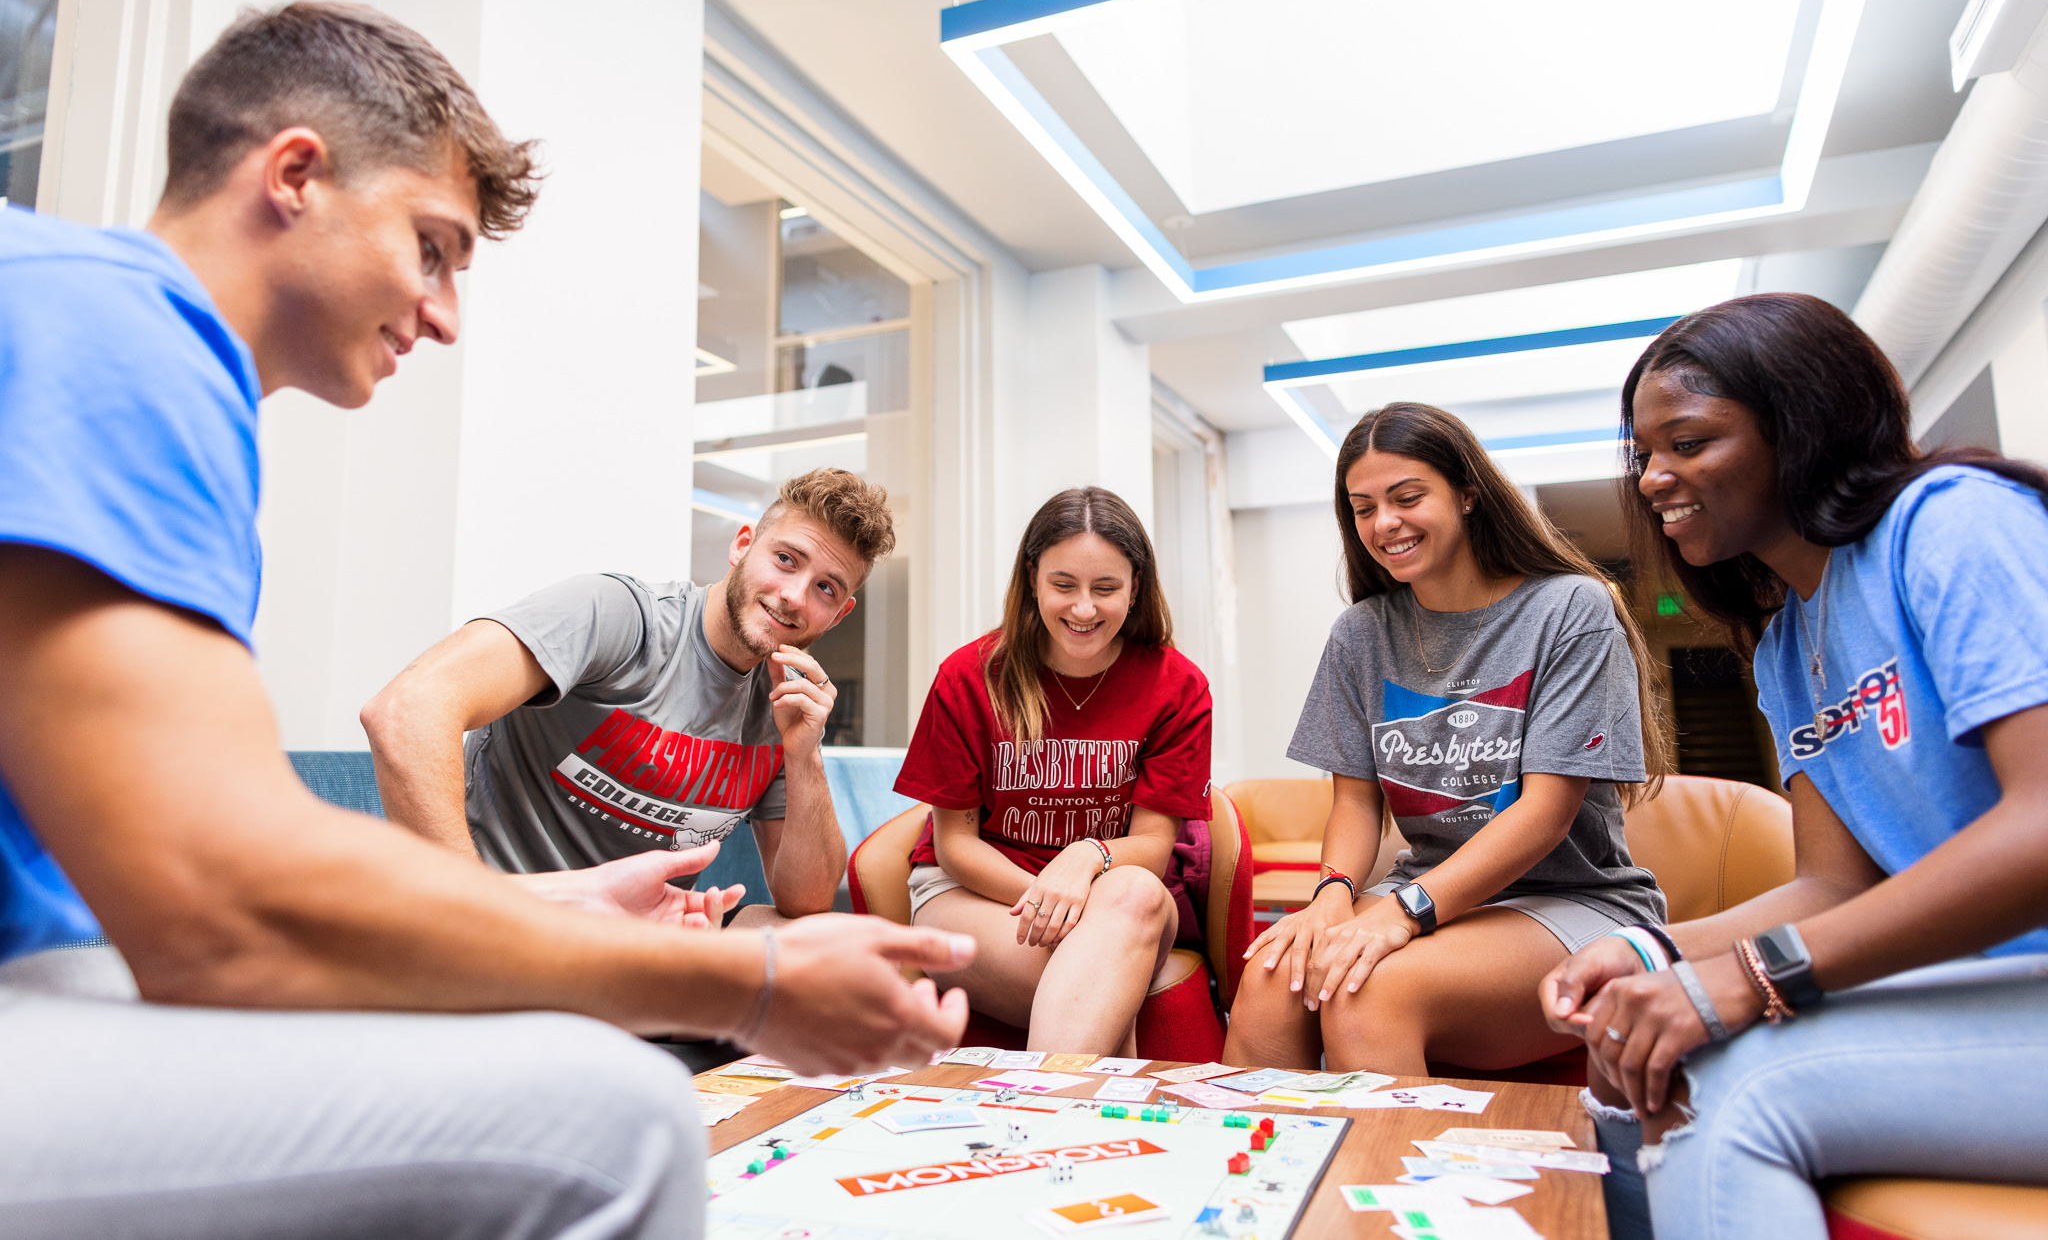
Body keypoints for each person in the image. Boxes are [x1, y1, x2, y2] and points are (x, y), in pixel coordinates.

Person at [0, 1, 971, 1239]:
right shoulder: (119, 344)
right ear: (294, 175)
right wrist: (750, 980)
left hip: (57, 952)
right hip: (35, 984)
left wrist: (553, 912)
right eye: (432, 246)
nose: (447, 311)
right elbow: (219, 908)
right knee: (617, 1121)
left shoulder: (131, 347)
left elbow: (194, 841)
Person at [1540, 294, 2048, 1240]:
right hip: (1978, 991)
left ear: (1798, 424)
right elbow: (1830, 887)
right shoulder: (1786, 643)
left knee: (1735, 1084)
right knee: (1630, 1053)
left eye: (1688, 443)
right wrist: (1654, 951)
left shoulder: (1951, 522)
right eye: (1645, 454)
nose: (1654, 479)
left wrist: (1754, 977)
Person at [1224, 402, 1670, 1075]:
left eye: (1407, 497)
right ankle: (1266, 1181)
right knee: (1269, 980)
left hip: (1572, 901)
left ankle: (1380, 1183)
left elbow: (1546, 813)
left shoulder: (1570, 608)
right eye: (1363, 507)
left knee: (1363, 990)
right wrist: (1332, 897)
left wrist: (1405, 912)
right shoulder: (1361, 634)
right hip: (1425, 891)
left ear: (1467, 494)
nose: (1384, 523)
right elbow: (1355, 804)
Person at [363, 466, 890, 924]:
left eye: (826, 588)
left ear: (840, 613)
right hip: (507, 920)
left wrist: (804, 755)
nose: (794, 596)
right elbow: (406, 711)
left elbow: (808, 901)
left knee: (820, 938)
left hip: (631, 948)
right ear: (742, 545)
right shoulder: (618, 616)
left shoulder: (784, 707)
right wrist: (479, 912)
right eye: (786, 559)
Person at [891, 488, 1212, 1055]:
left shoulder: (1178, 686)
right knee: (1104, 977)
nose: (1083, 609)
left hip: (1115, 897)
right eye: (1064, 585)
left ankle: (1040, 1120)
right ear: (1033, 578)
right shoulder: (967, 676)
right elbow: (955, 847)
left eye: (1106, 588)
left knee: (1134, 892)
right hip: (975, 895)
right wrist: (1054, 900)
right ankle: (1082, 1120)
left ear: (1136, 587)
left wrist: (1086, 856)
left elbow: (1154, 847)